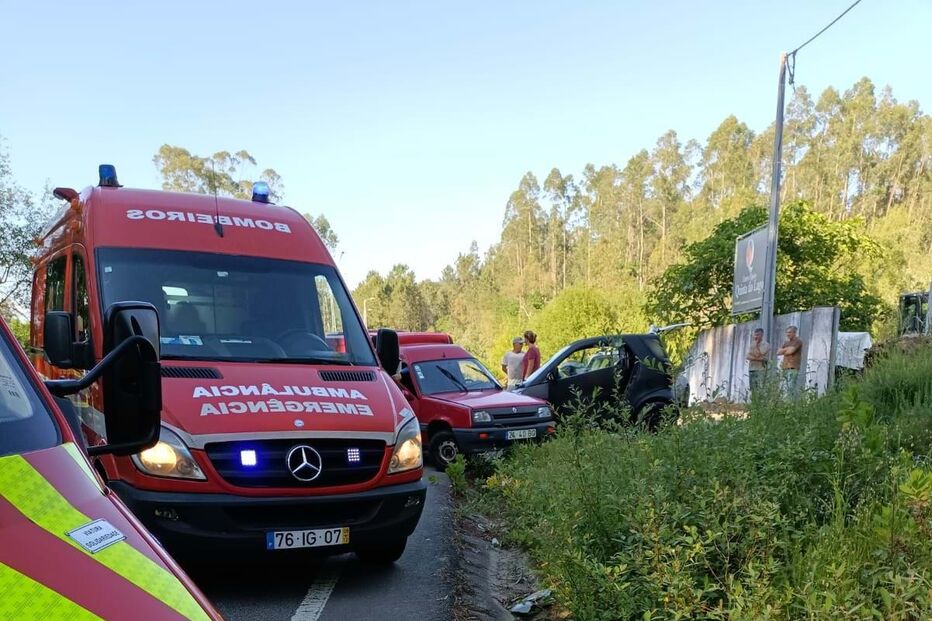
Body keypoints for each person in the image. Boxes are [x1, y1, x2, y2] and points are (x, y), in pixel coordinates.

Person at [777, 325, 803, 398]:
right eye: (787, 332)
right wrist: (787, 349)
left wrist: (784, 350)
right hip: (785, 367)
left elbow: (791, 351)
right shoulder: (786, 343)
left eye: (790, 332)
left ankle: (791, 403)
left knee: (791, 388)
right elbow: (778, 352)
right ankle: (787, 403)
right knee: (785, 388)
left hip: (793, 367)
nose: (788, 334)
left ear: (794, 333)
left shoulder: (798, 341)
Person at [746, 328, 770, 396]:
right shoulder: (752, 344)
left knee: (760, 388)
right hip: (752, 369)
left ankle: (760, 402)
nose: (756, 337)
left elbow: (759, 354)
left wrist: (756, 345)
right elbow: (748, 356)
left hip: (761, 370)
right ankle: (754, 401)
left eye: (758, 335)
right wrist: (758, 358)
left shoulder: (766, 344)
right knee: (753, 389)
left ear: (762, 335)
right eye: (755, 335)